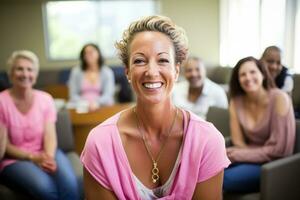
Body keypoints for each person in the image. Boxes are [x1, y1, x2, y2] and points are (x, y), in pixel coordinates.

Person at [80, 15, 230, 200]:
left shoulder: (207, 140)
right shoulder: (100, 144)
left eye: (163, 60)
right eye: (139, 61)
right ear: (127, 72)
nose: (151, 72)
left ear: (176, 71)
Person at [0, 50, 80, 200]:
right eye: (19, 69)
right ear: (11, 74)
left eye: (29, 69)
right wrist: (32, 157)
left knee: (70, 184)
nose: (25, 73)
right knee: (46, 189)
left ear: (35, 75)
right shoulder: (1, 101)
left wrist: (48, 157)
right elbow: (5, 146)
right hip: (16, 159)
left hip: (46, 151)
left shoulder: (45, 99)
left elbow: (50, 134)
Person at [224, 56, 295, 193]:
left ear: (262, 74)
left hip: (273, 164)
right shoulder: (236, 102)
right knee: (204, 170)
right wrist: (241, 154)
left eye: (252, 72)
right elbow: (238, 141)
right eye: (242, 74)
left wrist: (238, 155)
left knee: (224, 178)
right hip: (246, 155)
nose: (248, 77)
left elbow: (280, 150)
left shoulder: (280, 98)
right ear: (238, 80)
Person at [68, 43, 115, 111]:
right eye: (85, 53)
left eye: (91, 52)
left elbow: (108, 95)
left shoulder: (107, 72)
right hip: (80, 106)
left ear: (98, 53)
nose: (88, 55)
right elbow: (73, 95)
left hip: (102, 106)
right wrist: (86, 104)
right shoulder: (76, 72)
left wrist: (96, 103)